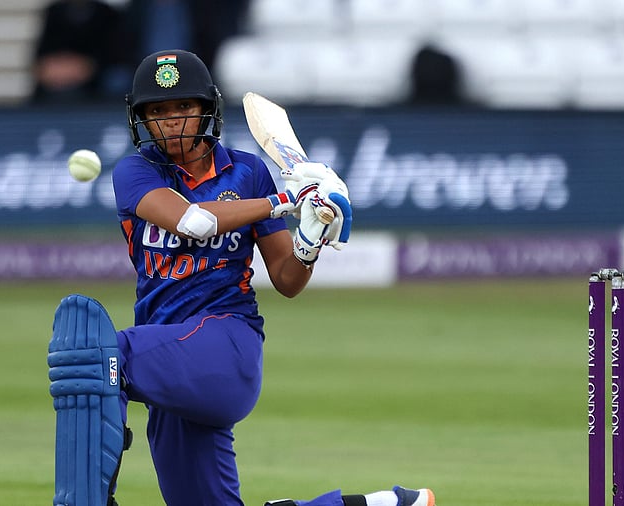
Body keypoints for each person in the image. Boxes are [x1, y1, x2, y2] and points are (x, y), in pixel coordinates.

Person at [48, 49, 434, 506]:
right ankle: (385, 504)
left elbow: (288, 280)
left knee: (99, 353)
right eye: (158, 111)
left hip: (226, 347)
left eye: (183, 107)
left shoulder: (248, 172)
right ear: (142, 119)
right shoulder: (136, 171)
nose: (171, 121)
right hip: (168, 359)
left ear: (207, 109)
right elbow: (191, 221)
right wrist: (285, 202)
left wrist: (308, 239)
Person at [30, 0, 133, 103]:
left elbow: (114, 54)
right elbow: (42, 57)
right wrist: (56, 69)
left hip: (95, 82)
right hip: (56, 79)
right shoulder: (54, 12)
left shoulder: (107, 13)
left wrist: (87, 67)